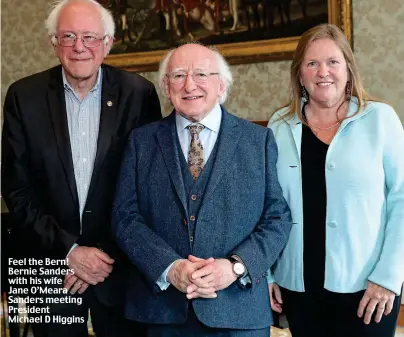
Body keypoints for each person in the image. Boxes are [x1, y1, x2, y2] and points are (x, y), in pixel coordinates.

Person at [1, 0, 161, 336]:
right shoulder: (23, 96)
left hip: (118, 267)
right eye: (69, 36)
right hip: (48, 267)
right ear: (53, 42)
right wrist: (70, 251)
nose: (79, 47)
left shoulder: (139, 94)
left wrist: (100, 255)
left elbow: (147, 187)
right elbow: (16, 188)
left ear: (107, 44)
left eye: (89, 37)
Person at [112, 42, 292, 337]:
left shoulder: (257, 141)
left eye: (202, 75)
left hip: (239, 312)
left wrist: (234, 267)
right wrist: (170, 267)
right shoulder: (140, 142)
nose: (189, 85)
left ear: (222, 86)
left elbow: (277, 218)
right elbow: (125, 218)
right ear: (166, 87)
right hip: (162, 314)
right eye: (179, 75)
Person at [267, 23, 404, 337]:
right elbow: (264, 204)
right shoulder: (279, 125)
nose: (322, 72)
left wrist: (388, 276)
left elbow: (402, 199)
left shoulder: (380, 120)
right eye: (312, 63)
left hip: (368, 288)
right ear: (299, 74)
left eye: (332, 62)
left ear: (348, 70)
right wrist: (267, 275)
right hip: (298, 286)